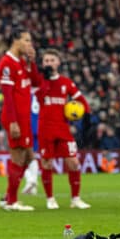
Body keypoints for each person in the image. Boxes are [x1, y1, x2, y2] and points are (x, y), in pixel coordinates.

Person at [35, 48, 91, 210]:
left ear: (58, 63)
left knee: (73, 162)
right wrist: (45, 80)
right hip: (45, 128)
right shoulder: (39, 82)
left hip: (63, 128)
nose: (49, 63)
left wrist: (87, 117)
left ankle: (76, 199)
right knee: (47, 163)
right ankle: (50, 199)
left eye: (52, 60)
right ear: (43, 63)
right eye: (46, 61)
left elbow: (81, 100)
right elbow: (39, 98)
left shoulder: (66, 82)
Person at [0, 28, 41, 211]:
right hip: (15, 119)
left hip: (24, 119)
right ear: (16, 41)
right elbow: (8, 97)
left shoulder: (22, 62)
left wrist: (32, 62)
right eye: (27, 40)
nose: (30, 44)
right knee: (19, 157)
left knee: (28, 157)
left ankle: (9, 197)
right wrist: (13, 122)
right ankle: (12, 201)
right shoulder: (6, 64)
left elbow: (37, 82)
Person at [22, 89, 40, 195]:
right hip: (40, 127)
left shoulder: (25, 94)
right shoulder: (41, 92)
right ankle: (33, 187)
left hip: (28, 127)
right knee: (33, 156)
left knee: (19, 159)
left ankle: (30, 179)